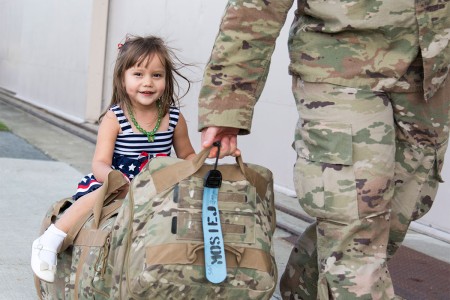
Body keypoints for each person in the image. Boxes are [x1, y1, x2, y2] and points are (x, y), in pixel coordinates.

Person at [198, 1, 449, 299]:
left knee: (395, 218)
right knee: (356, 231)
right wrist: (227, 103)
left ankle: (301, 291)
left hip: (431, 72)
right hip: (342, 67)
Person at [31, 35, 196, 283]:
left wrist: (205, 157)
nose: (148, 83)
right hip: (119, 181)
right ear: (122, 77)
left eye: (157, 75)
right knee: (99, 196)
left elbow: (187, 156)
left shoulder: (173, 118)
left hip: (157, 184)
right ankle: (51, 239)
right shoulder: (115, 117)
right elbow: (99, 162)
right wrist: (112, 178)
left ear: (166, 79)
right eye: (138, 74)